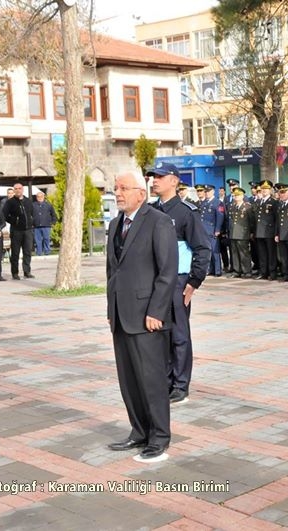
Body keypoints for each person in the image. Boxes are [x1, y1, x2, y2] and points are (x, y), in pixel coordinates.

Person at [106, 171, 177, 463]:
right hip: (121, 316)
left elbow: (167, 271)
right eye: (116, 188)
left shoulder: (158, 222)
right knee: (129, 380)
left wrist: (156, 311)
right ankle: (139, 431)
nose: (118, 193)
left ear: (140, 193)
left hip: (147, 317)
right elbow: (112, 272)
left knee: (151, 380)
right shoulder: (115, 224)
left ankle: (159, 438)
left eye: (123, 188)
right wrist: (111, 310)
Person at [147, 162, 211, 404]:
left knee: (179, 335)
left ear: (174, 181)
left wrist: (194, 282)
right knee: (159, 334)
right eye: (153, 176)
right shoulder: (151, 211)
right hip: (155, 283)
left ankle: (180, 385)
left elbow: (202, 248)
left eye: (160, 177)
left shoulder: (186, 212)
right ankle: (165, 381)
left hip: (178, 282)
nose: (155, 180)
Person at [2, 182, 35, 280]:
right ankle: (15, 273)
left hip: (28, 230)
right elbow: (4, 215)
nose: (18, 190)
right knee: (15, 253)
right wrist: (14, 221)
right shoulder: (10, 202)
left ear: (22, 189)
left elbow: (32, 213)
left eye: (19, 188)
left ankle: (27, 271)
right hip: (16, 231)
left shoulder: (28, 201)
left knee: (27, 252)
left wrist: (31, 222)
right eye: (15, 189)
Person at [227, 187, 255, 278]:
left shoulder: (247, 207)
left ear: (242, 196)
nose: (236, 197)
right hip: (233, 233)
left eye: (238, 195)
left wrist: (251, 232)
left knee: (244, 253)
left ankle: (247, 271)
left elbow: (251, 221)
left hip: (243, 233)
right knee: (234, 253)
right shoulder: (232, 206)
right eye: (235, 196)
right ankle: (237, 271)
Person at [254, 180, 278, 280]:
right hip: (260, 232)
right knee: (262, 254)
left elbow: (276, 219)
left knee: (271, 254)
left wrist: (276, 233)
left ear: (270, 190)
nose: (264, 191)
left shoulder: (273, 202)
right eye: (263, 189)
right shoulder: (259, 202)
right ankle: (263, 272)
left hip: (269, 232)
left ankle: (272, 273)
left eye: (266, 189)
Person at [199, 185, 225, 277]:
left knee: (215, 251)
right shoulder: (204, 202)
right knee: (207, 251)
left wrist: (217, 229)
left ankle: (217, 270)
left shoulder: (218, 203)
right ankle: (210, 269)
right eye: (205, 192)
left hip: (212, 230)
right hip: (204, 230)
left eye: (208, 191)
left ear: (213, 192)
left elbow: (220, 217)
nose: (207, 193)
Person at [32, 191, 57, 256]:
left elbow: (53, 215)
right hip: (36, 226)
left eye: (41, 196)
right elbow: (29, 215)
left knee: (46, 238)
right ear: (36, 197)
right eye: (38, 197)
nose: (40, 198)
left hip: (46, 225)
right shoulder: (33, 205)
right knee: (38, 240)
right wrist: (31, 223)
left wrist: (53, 223)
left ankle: (47, 251)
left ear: (44, 197)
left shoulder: (48, 205)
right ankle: (39, 252)